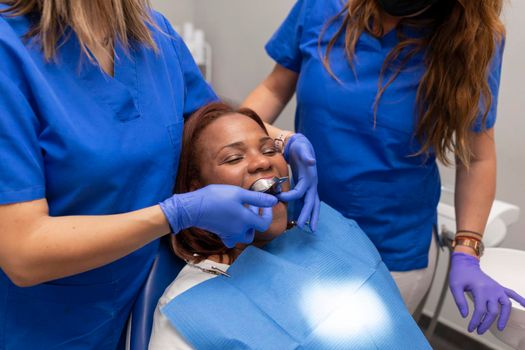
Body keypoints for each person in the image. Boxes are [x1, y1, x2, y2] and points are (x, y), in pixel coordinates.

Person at [0, 1, 317, 348]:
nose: (260, 162)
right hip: (36, 324)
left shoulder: (154, 34)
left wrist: (285, 140)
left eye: (266, 153)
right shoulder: (9, 52)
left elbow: (208, 125)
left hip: (139, 303)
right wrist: (176, 213)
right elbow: (23, 254)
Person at [242, 0, 525, 335]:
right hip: (304, 231)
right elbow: (274, 88)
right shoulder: (321, 7)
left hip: (392, 253)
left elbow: (477, 157)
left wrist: (467, 248)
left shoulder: (475, 39)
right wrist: (255, 140)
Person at [148, 102, 431, 350]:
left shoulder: (328, 232)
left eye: (270, 149)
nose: (262, 162)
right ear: (196, 191)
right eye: (234, 158)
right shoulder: (189, 307)